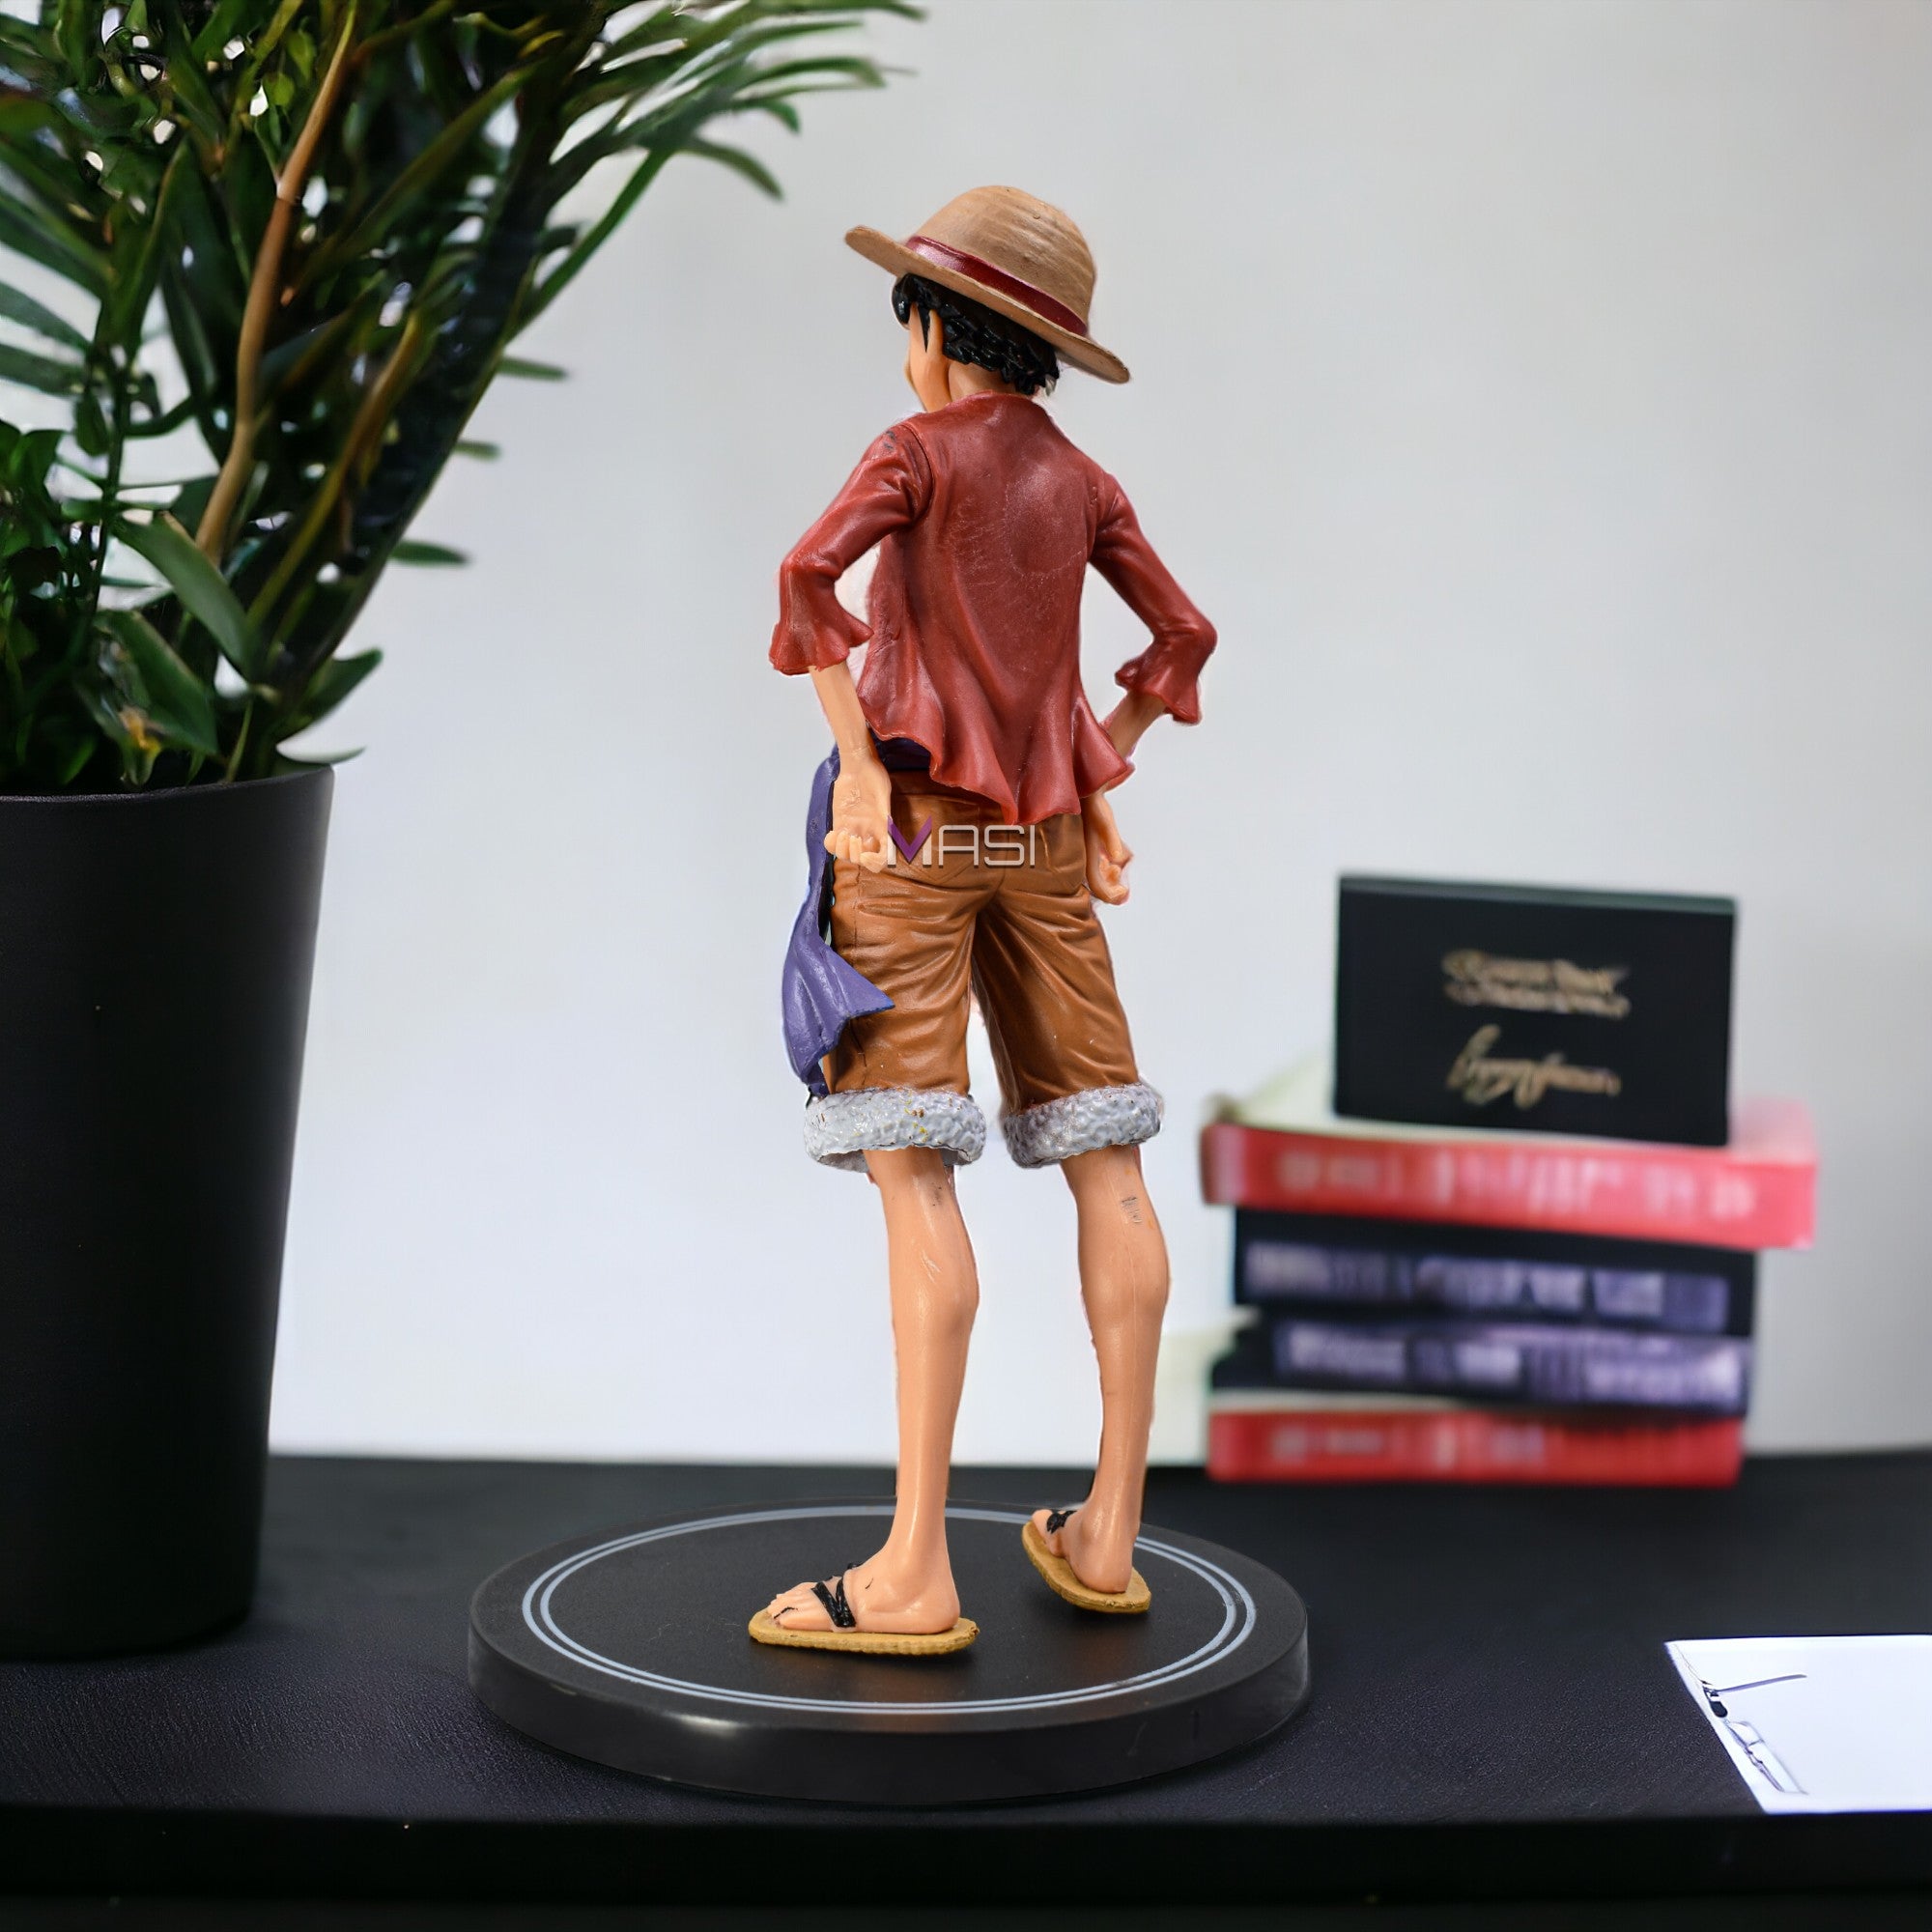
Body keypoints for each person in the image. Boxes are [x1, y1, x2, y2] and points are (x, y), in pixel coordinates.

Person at [754, 186, 1216, 1654]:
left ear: (933, 329)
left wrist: (864, 765)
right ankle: (1110, 1532)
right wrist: (1092, 766)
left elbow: (804, 576)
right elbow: (1185, 634)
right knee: (1108, 1155)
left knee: (914, 1176)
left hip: (914, 837)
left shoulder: (913, 451)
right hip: (1044, 847)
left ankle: (913, 1571)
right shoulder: (1083, 482)